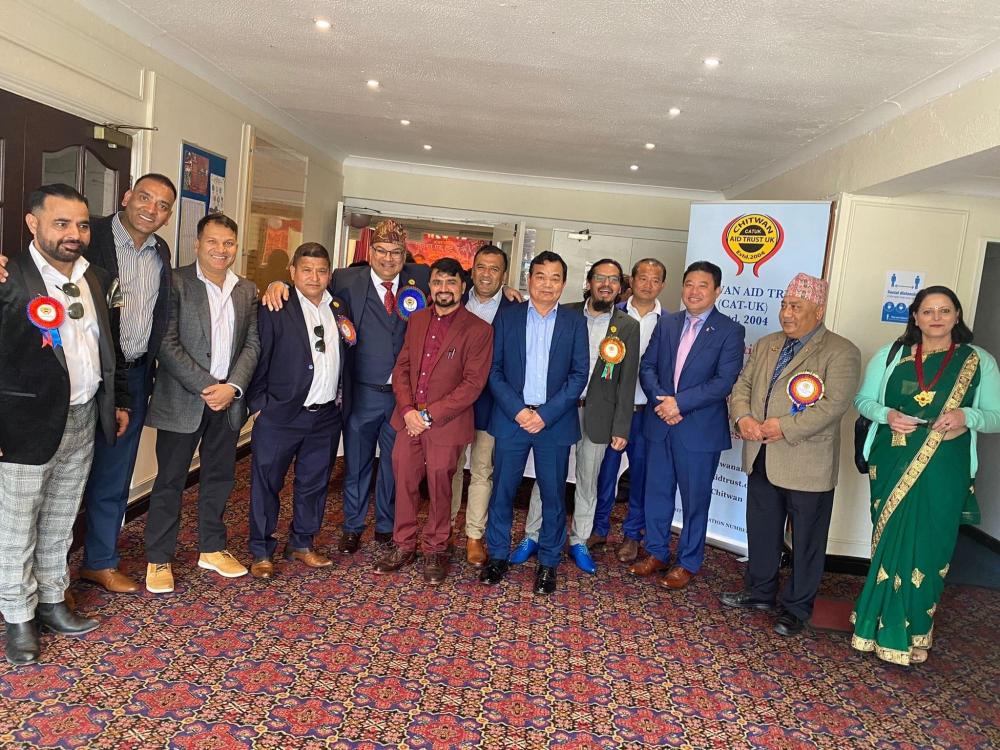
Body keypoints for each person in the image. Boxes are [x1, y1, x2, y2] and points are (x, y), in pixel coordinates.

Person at [0, 174, 175, 594]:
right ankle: (28, 597)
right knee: (33, 502)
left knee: (107, 479)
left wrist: (122, 393)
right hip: (46, 392)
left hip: (119, 378)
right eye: (145, 197)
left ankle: (97, 563)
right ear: (127, 197)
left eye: (163, 205)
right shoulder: (82, 239)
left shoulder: (158, 252)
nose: (151, 209)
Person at [0, 184, 128, 665]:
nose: (74, 233)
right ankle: (18, 616)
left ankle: (53, 601)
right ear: (33, 224)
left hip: (82, 415)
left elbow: (108, 347)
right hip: (23, 424)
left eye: (82, 224)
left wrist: (116, 400)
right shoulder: (9, 277)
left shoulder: (96, 276)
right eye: (61, 223)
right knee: (16, 528)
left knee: (60, 518)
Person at [852, 286, 1000, 665]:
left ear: (956, 316)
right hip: (893, 456)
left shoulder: (977, 361)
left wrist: (966, 416)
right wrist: (887, 415)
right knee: (891, 539)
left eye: (944, 310)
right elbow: (863, 401)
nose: (936, 318)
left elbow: (996, 416)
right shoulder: (892, 355)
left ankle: (917, 629)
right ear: (915, 317)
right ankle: (874, 626)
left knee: (932, 545)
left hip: (945, 464)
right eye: (928, 311)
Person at [263, 220, 430, 554]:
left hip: (403, 398)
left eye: (396, 252)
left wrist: (508, 296)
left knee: (394, 467)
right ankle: (353, 526)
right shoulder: (344, 279)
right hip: (361, 393)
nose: (388, 258)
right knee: (356, 464)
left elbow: (462, 286)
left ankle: (386, 526)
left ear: (405, 255)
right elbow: (309, 286)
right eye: (381, 250)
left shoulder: (422, 278)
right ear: (370, 251)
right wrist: (278, 283)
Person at [722, 273, 860, 636]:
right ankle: (760, 592)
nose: (786, 313)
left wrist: (783, 427)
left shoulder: (841, 351)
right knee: (762, 530)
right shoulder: (767, 344)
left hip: (807, 464)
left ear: (819, 311)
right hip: (761, 455)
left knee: (806, 542)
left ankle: (796, 609)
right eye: (784, 305)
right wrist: (743, 418)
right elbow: (742, 385)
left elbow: (834, 405)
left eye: (796, 307)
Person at [143, 213, 260, 594]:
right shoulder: (175, 282)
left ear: (236, 247)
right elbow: (166, 343)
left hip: (229, 403)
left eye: (228, 243)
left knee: (219, 478)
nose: (220, 250)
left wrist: (233, 387)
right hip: (184, 400)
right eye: (213, 241)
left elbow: (252, 344)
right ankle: (159, 557)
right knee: (170, 481)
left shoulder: (246, 289)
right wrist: (210, 387)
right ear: (197, 244)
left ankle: (212, 547)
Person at [509, 259, 640, 575]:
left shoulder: (627, 326)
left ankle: (579, 540)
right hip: (557, 411)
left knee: (587, 481)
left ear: (620, 287)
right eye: (600, 278)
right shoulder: (565, 312)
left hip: (598, 416)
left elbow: (627, 381)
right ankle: (533, 535)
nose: (606, 284)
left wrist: (622, 426)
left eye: (613, 279)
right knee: (547, 477)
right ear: (589, 282)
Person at [375, 258, 493, 583]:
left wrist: (428, 415)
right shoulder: (417, 320)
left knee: (441, 485)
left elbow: (472, 384)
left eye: (451, 282)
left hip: (446, 422)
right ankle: (403, 544)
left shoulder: (479, 330)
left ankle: (436, 549)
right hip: (409, 419)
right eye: (438, 282)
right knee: (403, 479)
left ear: (463, 287)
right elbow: (402, 368)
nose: (444, 288)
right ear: (430, 286)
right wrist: (408, 410)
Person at [480, 251, 589, 595]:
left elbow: (579, 374)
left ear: (563, 284)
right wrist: (519, 411)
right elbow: (493, 370)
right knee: (503, 491)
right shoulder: (507, 317)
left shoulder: (574, 322)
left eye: (555, 278)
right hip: (512, 419)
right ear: (529, 280)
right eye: (540, 276)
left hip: (553, 423)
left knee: (554, 496)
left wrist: (544, 414)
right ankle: (497, 555)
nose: (547, 284)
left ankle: (548, 562)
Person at [631, 261, 745, 590]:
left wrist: (678, 404)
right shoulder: (667, 324)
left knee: (695, 501)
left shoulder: (730, 331)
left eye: (703, 285)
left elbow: (723, 381)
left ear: (717, 291)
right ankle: (656, 551)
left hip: (698, 431)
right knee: (656, 493)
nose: (694, 291)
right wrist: (662, 401)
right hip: (660, 424)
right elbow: (647, 366)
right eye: (689, 284)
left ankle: (688, 561)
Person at [245, 243, 349, 579]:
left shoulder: (338, 306)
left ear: (329, 274)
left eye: (321, 270)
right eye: (306, 270)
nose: (314, 277)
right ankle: (262, 550)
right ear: (292, 272)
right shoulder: (276, 305)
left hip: (325, 416)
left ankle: (302, 543)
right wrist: (259, 406)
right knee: (267, 484)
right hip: (280, 414)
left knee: (314, 483)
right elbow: (258, 355)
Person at [592, 258, 667, 563]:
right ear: (631, 281)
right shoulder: (612, 314)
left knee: (640, 476)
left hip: (648, 412)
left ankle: (632, 534)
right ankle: (598, 528)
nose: (648, 284)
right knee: (604, 472)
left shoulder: (670, 322)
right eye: (642, 278)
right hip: (612, 409)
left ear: (662, 285)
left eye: (655, 279)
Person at [450, 245, 516, 566]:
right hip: (453, 403)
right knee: (448, 468)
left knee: (482, 470)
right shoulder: (454, 300)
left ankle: (474, 535)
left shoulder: (516, 309)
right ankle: (445, 527)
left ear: (504, 275)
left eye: (494, 268)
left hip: (492, 404)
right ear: (471, 269)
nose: (486, 274)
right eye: (481, 267)